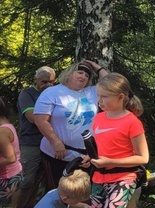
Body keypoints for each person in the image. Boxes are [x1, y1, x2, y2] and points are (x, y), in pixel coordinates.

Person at [83, 73, 149, 208]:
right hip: (98, 180)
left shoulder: (131, 121)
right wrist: (88, 158)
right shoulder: (98, 118)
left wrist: (110, 162)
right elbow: (99, 149)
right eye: (98, 96)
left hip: (123, 179)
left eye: (104, 96)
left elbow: (143, 158)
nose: (99, 101)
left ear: (121, 97)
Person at [33, 60, 109, 190]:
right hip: (57, 154)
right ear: (69, 73)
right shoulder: (52, 92)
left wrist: (96, 67)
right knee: (57, 191)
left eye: (87, 75)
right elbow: (40, 120)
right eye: (79, 72)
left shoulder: (92, 92)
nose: (83, 77)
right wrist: (56, 142)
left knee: (81, 191)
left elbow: (110, 81)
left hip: (86, 156)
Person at [13, 66, 55, 208]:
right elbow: (32, 118)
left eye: (51, 81)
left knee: (44, 179)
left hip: (49, 143)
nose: (48, 85)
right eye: (44, 81)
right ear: (36, 80)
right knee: (26, 180)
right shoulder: (27, 94)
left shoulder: (54, 94)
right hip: (31, 143)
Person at [1, 97, 24, 208]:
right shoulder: (6, 124)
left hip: (7, 179)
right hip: (11, 175)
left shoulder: (2, 131)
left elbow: (10, 158)